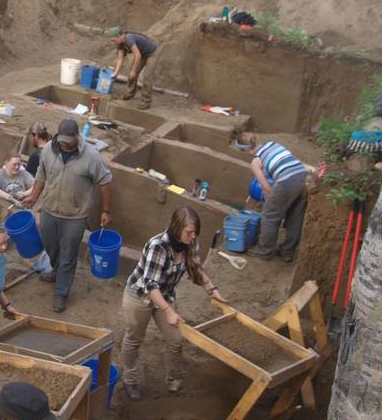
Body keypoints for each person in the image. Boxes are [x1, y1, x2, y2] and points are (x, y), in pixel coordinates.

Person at [120, 207, 227, 400]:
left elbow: (196, 268)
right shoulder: (158, 246)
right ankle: (130, 380)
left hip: (165, 295)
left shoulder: (190, 243)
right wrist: (169, 311)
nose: (192, 236)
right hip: (139, 296)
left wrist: (212, 290)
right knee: (134, 339)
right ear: (177, 227)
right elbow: (150, 285)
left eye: (195, 233)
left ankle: (173, 380)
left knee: (176, 340)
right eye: (189, 232)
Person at [22, 119, 113, 314]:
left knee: (68, 254)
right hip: (49, 209)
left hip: (75, 216)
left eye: (70, 142)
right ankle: (57, 270)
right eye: (63, 141)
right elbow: (41, 175)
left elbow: (105, 182)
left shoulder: (91, 156)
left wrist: (106, 210)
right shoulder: (48, 150)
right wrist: (34, 196)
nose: (66, 145)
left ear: (77, 136)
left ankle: (61, 292)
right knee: (50, 245)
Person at [235, 133, 308, 262]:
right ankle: (287, 251)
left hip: (286, 181)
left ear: (246, 150)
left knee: (269, 216)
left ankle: (264, 251)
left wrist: (269, 199)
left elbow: (267, 189)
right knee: (295, 218)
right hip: (303, 178)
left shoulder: (256, 161)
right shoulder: (273, 144)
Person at [110, 32, 158, 109]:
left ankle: (146, 101)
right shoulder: (119, 44)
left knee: (147, 76)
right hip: (142, 54)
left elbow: (137, 55)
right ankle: (129, 94)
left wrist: (134, 71)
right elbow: (120, 58)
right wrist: (116, 73)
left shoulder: (129, 39)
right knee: (131, 75)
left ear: (119, 36)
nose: (113, 42)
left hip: (152, 53)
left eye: (114, 40)